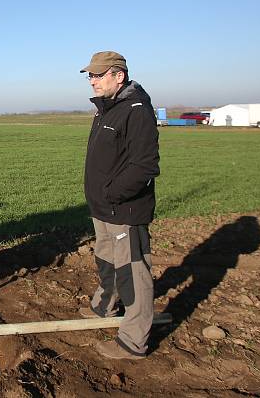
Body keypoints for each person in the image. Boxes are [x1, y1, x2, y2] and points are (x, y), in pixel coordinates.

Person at [79, 51, 159, 360]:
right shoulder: (107, 108)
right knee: (107, 260)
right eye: (91, 75)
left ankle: (133, 342)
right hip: (103, 208)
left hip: (124, 209)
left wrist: (113, 193)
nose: (92, 80)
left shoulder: (136, 110)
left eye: (98, 75)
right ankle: (104, 306)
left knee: (133, 273)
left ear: (118, 76)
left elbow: (145, 166)